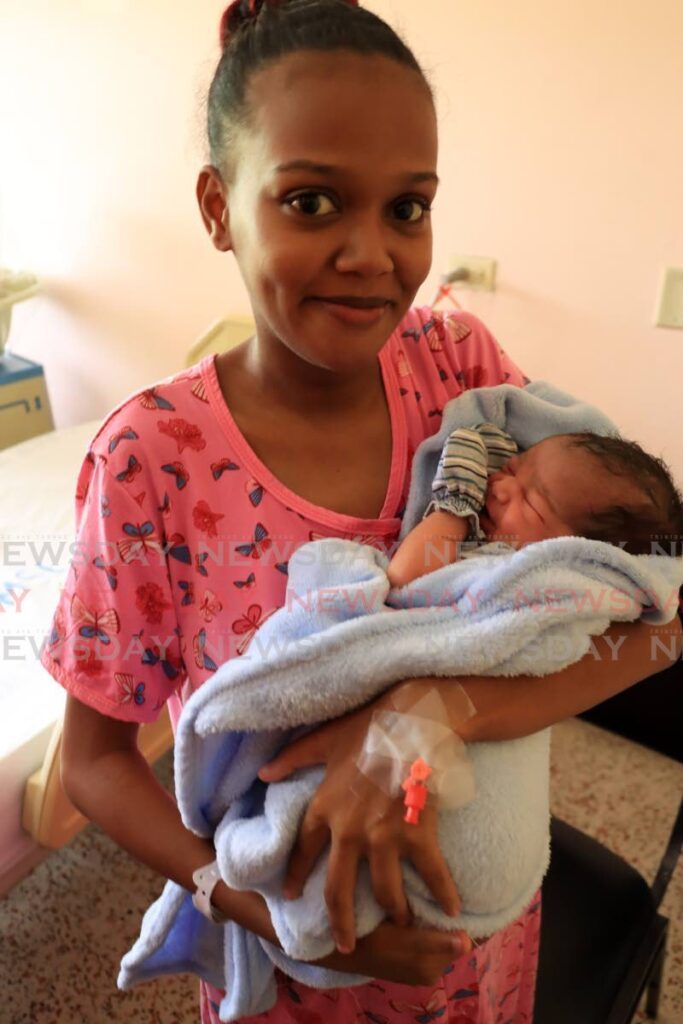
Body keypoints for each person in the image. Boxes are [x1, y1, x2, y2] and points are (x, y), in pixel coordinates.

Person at [40, 2, 681, 1022]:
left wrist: (420, 718)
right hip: (303, 975)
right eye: (308, 203)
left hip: (482, 941)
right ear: (217, 207)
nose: (371, 255)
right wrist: (243, 901)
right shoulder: (150, 461)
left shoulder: (467, 382)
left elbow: (652, 627)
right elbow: (94, 761)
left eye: (406, 208)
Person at [387, 425, 683, 587]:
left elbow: (405, 577)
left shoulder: (527, 581)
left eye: (530, 502)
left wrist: (454, 509)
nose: (499, 487)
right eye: (512, 468)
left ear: (573, 551)